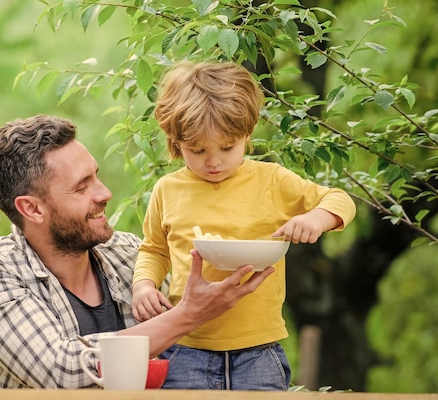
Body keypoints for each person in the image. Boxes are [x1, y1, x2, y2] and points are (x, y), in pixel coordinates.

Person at [0, 114, 275, 390]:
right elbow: (60, 371)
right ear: (32, 209)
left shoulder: (130, 255)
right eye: (82, 186)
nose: (105, 193)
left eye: (97, 176)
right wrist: (189, 314)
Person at [132, 61, 357, 390]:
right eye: (198, 150)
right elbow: (153, 249)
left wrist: (315, 219)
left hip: (258, 351)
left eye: (227, 147)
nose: (214, 161)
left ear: (247, 134)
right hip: (186, 348)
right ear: (175, 141)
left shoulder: (271, 180)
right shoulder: (168, 189)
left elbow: (340, 200)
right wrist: (144, 287)